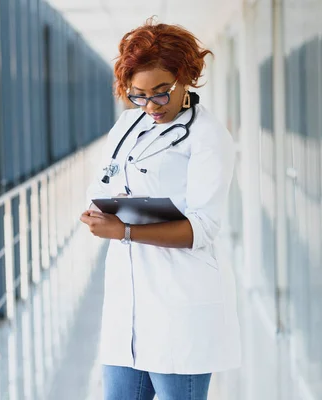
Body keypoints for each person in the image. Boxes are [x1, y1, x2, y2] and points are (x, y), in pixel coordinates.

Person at [79, 18, 241, 400]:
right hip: (126, 307)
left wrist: (124, 231)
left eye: (161, 92)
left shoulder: (208, 137)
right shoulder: (126, 125)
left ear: (185, 76)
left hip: (180, 306)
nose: (150, 105)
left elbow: (202, 227)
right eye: (138, 95)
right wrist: (96, 212)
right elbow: (104, 183)